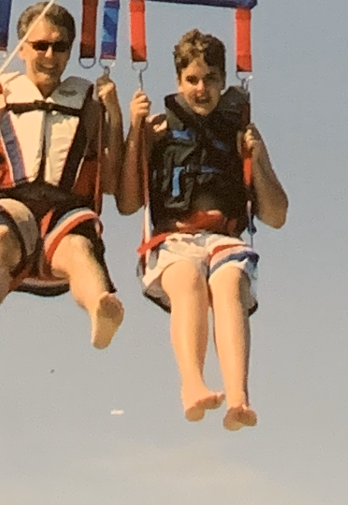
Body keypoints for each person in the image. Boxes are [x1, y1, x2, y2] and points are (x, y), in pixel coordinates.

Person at [117, 28, 288, 429]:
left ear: (223, 81)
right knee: (189, 282)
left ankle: (239, 399)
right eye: (192, 80)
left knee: (229, 287)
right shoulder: (159, 130)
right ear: (178, 82)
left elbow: (276, 215)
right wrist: (135, 135)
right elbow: (127, 204)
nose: (201, 88)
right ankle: (192, 384)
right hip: (173, 239)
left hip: (224, 240)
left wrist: (257, 157)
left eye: (210, 79)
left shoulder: (239, 132)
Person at [0, 0, 125, 351]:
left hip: (67, 213)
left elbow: (113, 183)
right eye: (40, 45)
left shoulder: (87, 101)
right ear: (23, 48)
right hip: (13, 209)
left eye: (59, 46)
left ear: (70, 51)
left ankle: (100, 308)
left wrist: (115, 117)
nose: (49, 54)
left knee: (79, 248)